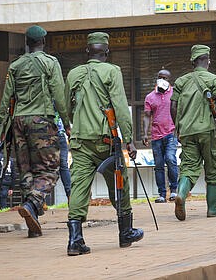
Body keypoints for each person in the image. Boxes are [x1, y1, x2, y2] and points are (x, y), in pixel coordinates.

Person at [64, 32, 143, 256]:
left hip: (80, 141)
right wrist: (129, 139)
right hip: (105, 141)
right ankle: (125, 232)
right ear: (107, 53)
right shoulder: (112, 71)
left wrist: (79, 124)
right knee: (119, 182)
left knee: (79, 185)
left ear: (87, 51)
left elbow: (67, 107)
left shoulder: (74, 73)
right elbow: (120, 106)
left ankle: (75, 241)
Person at [0, 25, 70, 238]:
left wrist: (3, 128)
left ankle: (33, 222)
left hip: (18, 121)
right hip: (41, 120)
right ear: (43, 42)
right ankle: (31, 204)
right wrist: (66, 121)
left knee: (26, 169)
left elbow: (6, 99)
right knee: (49, 168)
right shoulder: (50, 63)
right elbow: (59, 94)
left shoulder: (16, 65)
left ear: (27, 43)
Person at [170, 44, 216, 221]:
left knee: (189, 167)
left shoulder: (181, 81)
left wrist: (178, 127)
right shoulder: (213, 79)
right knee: (213, 167)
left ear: (193, 61)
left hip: (187, 131)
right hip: (208, 130)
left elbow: (173, 106)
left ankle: (181, 194)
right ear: (207, 60)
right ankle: (213, 208)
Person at [142, 69, 178, 203]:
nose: (162, 80)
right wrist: (145, 133)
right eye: (160, 77)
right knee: (158, 165)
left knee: (170, 159)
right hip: (156, 136)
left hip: (171, 133)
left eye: (165, 78)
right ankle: (162, 194)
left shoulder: (175, 93)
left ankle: (174, 190)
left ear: (169, 80)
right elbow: (146, 116)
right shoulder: (150, 97)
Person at [55, 111, 72, 202]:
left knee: (43, 167)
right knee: (63, 166)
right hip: (58, 134)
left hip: (48, 135)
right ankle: (70, 195)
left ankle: (39, 199)